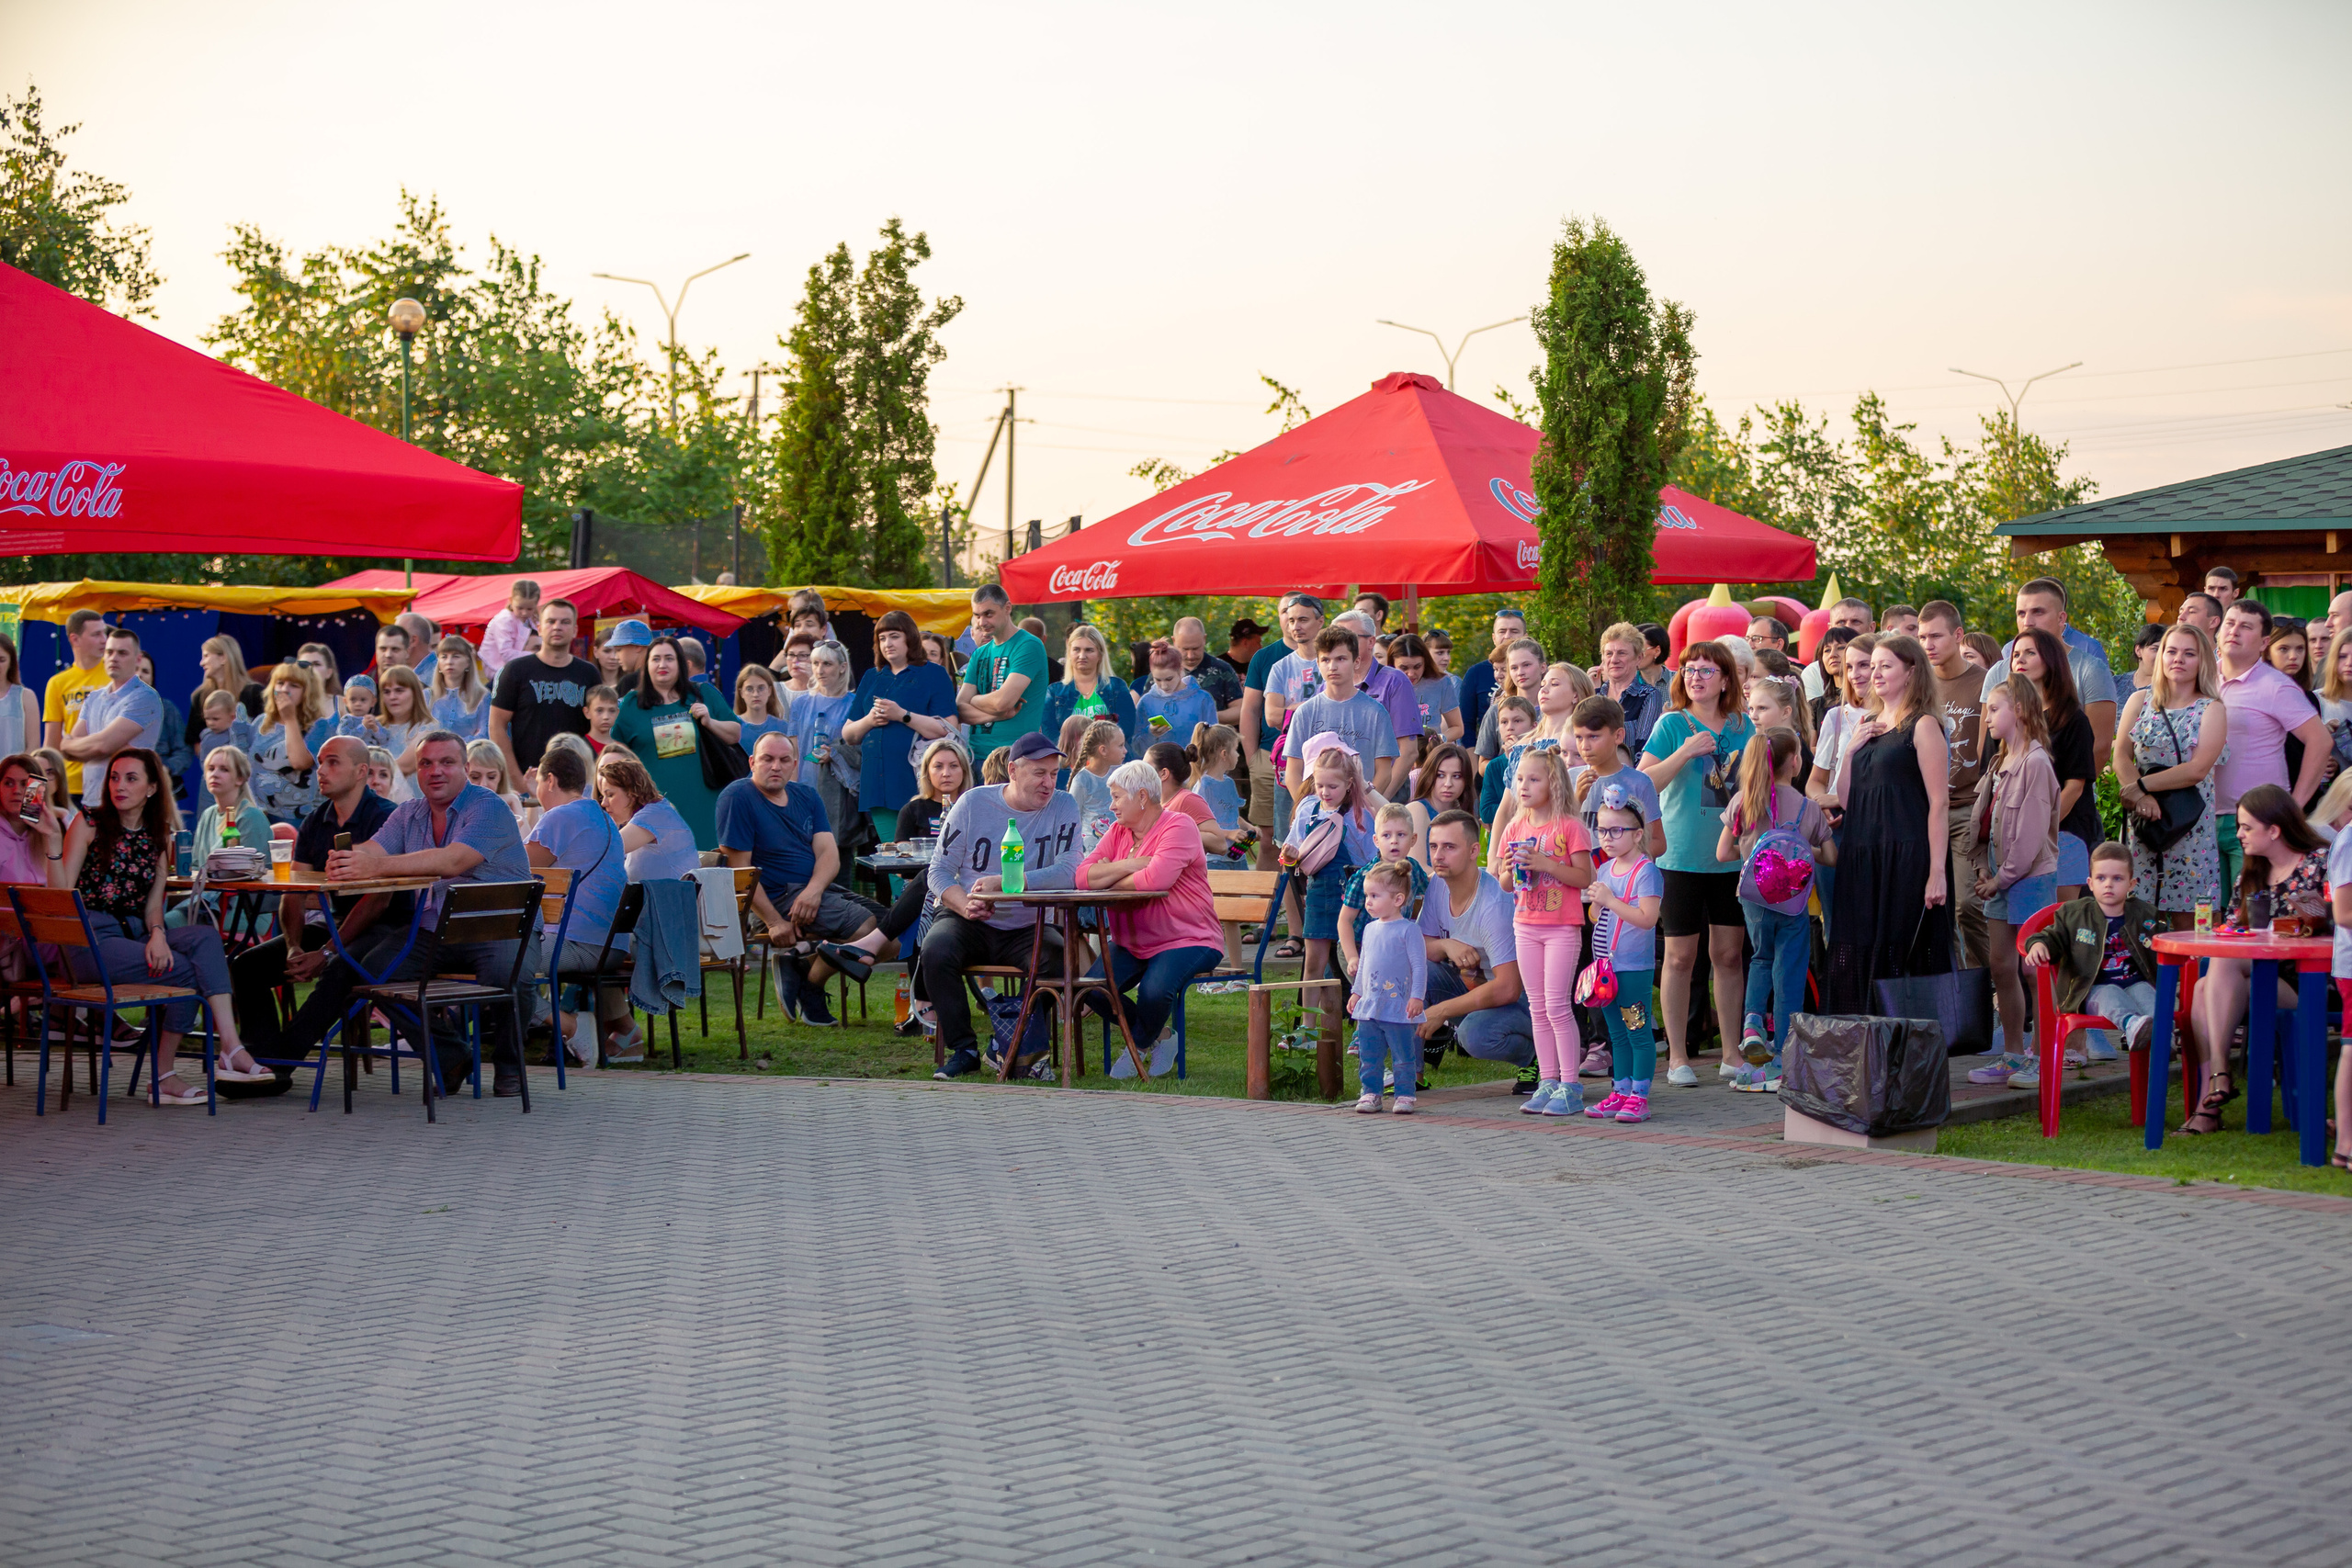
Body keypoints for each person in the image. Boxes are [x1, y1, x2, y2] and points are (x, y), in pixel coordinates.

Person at [276, 731, 537, 1096]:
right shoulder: (409, 812)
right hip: (436, 929)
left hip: (500, 925)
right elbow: (372, 849)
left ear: (464, 767)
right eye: (426, 763)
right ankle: (450, 1054)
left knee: (507, 974)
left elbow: (452, 861)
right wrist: (349, 859)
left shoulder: (488, 806)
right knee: (373, 971)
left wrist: (372, 866)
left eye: (446, 762)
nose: (435, 771)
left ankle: (510, 1067)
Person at [39, 748, 269, 1100]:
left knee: (205, 938)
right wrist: (53, 842)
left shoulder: (159, 835)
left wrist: (158, 933)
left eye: (131, 778)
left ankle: (230, 1047)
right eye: (115, 777)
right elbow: (60, 896)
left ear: (150, 788)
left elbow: (152, 907)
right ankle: (164, 1076)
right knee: (184, 972)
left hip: (133, 934)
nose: (119, 785)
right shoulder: (89, 822)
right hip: (85, 940)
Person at [227, 736, 402, 1069]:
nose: (320, 770)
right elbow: (293, 891)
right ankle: (260, 1057)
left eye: (333, 762)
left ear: (361, 771)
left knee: (338, 969)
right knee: (246, 966)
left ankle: (277, 1063)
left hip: (389, 927)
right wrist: (294, 946)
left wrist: (326, 953)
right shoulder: (314, 821)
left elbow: (379, 901)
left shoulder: (385, 817)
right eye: (320, 761)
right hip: (335, 925)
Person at [922, 731, 1082, 1078]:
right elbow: (938, 871)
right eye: (1039, 773)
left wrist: (1011, 883)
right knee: (935, 951)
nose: (1049, 783)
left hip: (1029, 924)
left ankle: (1012, 1044)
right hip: (969, 918)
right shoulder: (972, 804)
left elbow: (1070, 871)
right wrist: (964, 904)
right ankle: (962, 1049)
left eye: (1054, 774)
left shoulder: (1064, 805)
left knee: (1057, 959)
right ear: (1012, 770)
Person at [2183, 784, 2331, 1134]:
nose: (2239, 835)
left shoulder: (2319, 863)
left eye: (2246, 827)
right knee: (2205, 984)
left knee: (2220, 970)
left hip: (2306, 980)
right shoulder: (2252, 873)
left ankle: (2217, 1079)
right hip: (2253, 978)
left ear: (2274, 830)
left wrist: (2301, 922)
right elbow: (2234, 928)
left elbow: (2333, 920)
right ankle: (2212, 1094)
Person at [1639, 639, 1754, 1087]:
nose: (1696, 677)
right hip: (1680, 858)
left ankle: (1731, 1053)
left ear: (1727, 679)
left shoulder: (1745, 726)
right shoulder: (1671, 724)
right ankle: (1678, 1057)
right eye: (1689, 670)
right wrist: (1685, 752)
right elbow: (1645, 781)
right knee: (1679, 957)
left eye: (1707, 670)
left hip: (1731, 857)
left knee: (1728, 955)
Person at [1072, 756, 1227, 1081]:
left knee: (1154, 993)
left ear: (1142, 796)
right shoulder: (1117, 831)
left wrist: (1109, 877)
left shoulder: (1179, 825)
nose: (1111, 806)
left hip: (1189, 937)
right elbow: (1083, 876)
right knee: (1093, 990)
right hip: (1132, 941)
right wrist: (1130, 865)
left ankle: (1137, 1047)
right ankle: (1161, 1038)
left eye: (1116, 797)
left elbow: (1155, 880)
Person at [1826, 634, 1953, 1013]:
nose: (1873, 673)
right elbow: (1847, 799)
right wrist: (1850, 749)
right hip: (1863, 853)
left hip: (1908, 854)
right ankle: (1866, 1043)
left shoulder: (1924, 724)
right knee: (1859, 947)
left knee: (1904, 952)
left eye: (1885, 665)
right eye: (1871, 665)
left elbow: (1939, 802)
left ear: (1911, 671)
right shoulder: (1868, 723)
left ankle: (1908, 1048)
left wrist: (1936, 872)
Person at [717, 732, 876, 1027]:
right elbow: (740, 872)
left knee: (892, 932)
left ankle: (804, 971)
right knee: (867, 927)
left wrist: (814, 891)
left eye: (783, 760)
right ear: (752, 762)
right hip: (775, 900)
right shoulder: (738, 796)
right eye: (767, 759)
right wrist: (775, 921)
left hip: (816, 892)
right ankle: (809, 983)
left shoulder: (807, 795)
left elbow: (829, 854)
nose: (776, 766)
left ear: (794, 765)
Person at [1714, 726, 1833, 1090]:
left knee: (1761, 959)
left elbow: (1722, 853)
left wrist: (1753, 851)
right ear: (1795, 762)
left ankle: (1751, 1025)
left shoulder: (1743, 802)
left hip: (1753, 900)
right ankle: (1784, 1052)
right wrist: (1801, 848)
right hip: (1793, 904)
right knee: (1790, 972)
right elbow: (1831, 856)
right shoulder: (1808, 808)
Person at [1967, 677, 2060, 1088]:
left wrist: (2000, 878)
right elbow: (1985, 824)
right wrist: (1981, 869)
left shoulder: (2037, 763)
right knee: (2001, 965)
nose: (1987, 716)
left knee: (2033, 969)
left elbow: (2031, 837)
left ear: (2018, 711)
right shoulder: (1998, 762)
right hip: (2000, 881)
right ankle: (2012, 1054)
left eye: (1995, 709)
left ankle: (2042, 1058)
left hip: (2029, 882)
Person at [1498, 745, 1594, 1117]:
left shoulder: (1569, 827)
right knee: (1537, 1008)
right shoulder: (1515, 827)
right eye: (1520, 778)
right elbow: (1507, 884)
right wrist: (1510, 869)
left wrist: (1546, 863)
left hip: (1561, 928)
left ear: (1553, 784)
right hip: (1526, 925)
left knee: (1557, 1006)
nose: (1523, 786)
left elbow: (1585, 876)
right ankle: (1548, 1082)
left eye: (1533, 779)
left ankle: (1570, 1085)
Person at [524, 743, 633, 1065]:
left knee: (497, 960)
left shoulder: (560, 816)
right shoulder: (600, 816)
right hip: (612, 944)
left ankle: (569, 1025)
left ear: (550, 781)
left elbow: (511, 871)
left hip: (579, 944)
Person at [2212, 598, 2330, 889]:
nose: (2234, 631)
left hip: (2259, 823)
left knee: (2250, 915)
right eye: (2230, 623)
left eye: (2246, 627)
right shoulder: (2201, 678)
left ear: (2264, 641)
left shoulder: (2277, 685)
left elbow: (2320, 741)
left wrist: (2293, 806)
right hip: (2199, 819)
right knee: (2208, 918)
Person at [2119, 629, 2231, 930]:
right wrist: (2142, 800)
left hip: (2190, 828)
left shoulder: (2212, 709)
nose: (2178, 659)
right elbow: (2120, 756)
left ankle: (2197, 978)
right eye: (2171, 651)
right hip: (2146, 824)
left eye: (2189, 653)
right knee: (2139, 918)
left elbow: (2197, 769)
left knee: (2194, 925)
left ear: (2202, 661)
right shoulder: (2138, 701)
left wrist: (2142, 787)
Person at [2022, 844, 2165, 1077]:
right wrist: (2038, 944)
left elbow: (2162, 941)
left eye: (2117, 878)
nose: (2108, 884)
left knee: (2150, 996)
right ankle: (2131, 1024)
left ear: (2131, 884)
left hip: (2135, 982)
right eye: (2101, 878)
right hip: (2091, 990)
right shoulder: (2074, 914)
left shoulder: (2143, 914)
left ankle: (2162, 1038)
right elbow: (2050, 936)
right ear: (2090, 883)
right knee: (2111, 994)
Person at [1415, 809, 1534, 1077]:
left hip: (1525, 1003)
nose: (1438, 855)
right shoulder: (1438, 885)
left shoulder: (1493, 903)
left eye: (1449, 847)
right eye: (1433, 846)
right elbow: (1418, 946)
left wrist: (1442, 1011)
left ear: (1473, 851)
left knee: (1474, 1035)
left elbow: (1509, 988)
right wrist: (1448, 945)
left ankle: (1536, 1056)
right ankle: (1410, 1076)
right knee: (1414, 969)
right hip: (1477, 987)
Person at [1284, 739, 1381, 1043]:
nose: (1324, 792)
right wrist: (1290, 852)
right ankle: (1306, 1029)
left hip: (1350, 893)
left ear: (1349, 783)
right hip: (1318, 892)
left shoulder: (1358, 813)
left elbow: (1369, 855)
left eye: (1332, 786)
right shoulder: (1308, 808)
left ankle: (1365, 1027)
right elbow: (1296, 843)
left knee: (1356, 962)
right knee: (1313, 962)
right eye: (1319, 785)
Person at [608, 634, 742, 851]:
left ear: (681, 663)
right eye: (656, 659)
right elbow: (612, 749)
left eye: (669, 658)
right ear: (646, 665)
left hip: (704, 803)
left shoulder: (704, 694)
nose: (663, 664)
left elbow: (735, 734)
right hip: (654, 807)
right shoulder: (632, 704)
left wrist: (709, 722)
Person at [839, 610, 958, 844]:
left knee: (927, 858)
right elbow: (848, 734)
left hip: (920, 782)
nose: (887, 644)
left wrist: (903, 715)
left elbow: (948, 728)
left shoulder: (932, 673)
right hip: (878, 784)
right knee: (895, 860)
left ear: (909, 638)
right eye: (881, 639)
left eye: (894, 636)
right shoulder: (871, 676)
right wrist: (870, 720)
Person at [1914, 603, 1988, 968]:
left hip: (1967, 805)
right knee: (1931, 904)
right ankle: (1956, 989)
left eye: (1936, 635)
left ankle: (1991, 979)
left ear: (1958, 635)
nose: (1928, 644)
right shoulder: (1918, 685)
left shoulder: (1984, 682)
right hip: (1925, 809)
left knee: (1967, 904)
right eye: (1922, 637)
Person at [1581, 798, 1666, 1122]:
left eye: (1616, 830)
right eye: (1602, 830)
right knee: (1616, 1033)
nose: (1607, 837)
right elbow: (1594, 914)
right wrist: (1597, 905)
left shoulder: (1646, 872)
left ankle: (1640, 1096)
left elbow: (1647, 918)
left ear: (1637, 834)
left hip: (1632, 969)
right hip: (1605, 969)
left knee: (1638, 1031)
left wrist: (1610, 900)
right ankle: (1620, 1089)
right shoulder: (1604, 869)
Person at [2007, 627, 2099, 901]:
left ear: (2051, 660)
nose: (2019, 660)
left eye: (2030, 653)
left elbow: (2075, 786)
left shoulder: (2073, 719)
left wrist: (2039, 829)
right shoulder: (2010, 718)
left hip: (2064, 834)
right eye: (2015, 655)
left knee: (2059, 927)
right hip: (2015, 839)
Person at [1242, 593, 1324, 874]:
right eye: (1291, 620)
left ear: (1320, 621)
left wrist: (1291, 708)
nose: (1295, 626)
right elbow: (1270, 715)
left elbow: (1338, 704)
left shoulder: (1332, 660)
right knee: (1281, 842)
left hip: (1328, 763)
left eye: (1302, 619)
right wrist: (1253, 759)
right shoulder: (1277, 665)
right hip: (1283, 761)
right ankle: (1282, 914)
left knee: (1323, 838)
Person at [1346, 859, 1426, 1114]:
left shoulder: (1409, 931)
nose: (1368, 901)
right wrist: (1357, 992)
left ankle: (1404, 1095)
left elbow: (1419, 967)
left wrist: (1416, 997)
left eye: (1374, 895)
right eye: (1367, 895)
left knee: (1403, 1055)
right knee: (1369, 1054)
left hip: (1399, 1006)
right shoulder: (1369, 930)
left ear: (1398, 899)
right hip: (1370, 1006)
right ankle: (1370, 1092)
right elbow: (1364, 964)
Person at [1283, 626, 1400, 801]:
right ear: (1318, 664)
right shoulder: (1304, 713)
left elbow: (1384, 772)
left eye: (1341, 659)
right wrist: (1309, 810)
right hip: (1318, 813)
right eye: (1325, 660)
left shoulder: (1376, 712)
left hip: (1362, 812)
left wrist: (1362, 806)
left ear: (1356, 662)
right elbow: (1293, 772)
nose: (1333, 667)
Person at [490, 598, 594, 792]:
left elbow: (597, 729)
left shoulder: (589, 674)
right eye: (551, 621)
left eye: (565, 622)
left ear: (575, 630)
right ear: (539, 627)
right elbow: (496, 726)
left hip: (575, 786)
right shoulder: (515, 671)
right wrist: (518, 781)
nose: (557, 627)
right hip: (528, 782)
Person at [61, 626, 163, 810]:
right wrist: (75, 745)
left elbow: (102, 745)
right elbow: (68, 750)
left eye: (122, 653)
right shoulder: (94, 698)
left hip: (128, 807)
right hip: (91, 801)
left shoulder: (145, 697)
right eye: (109, 652)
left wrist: (86, 745)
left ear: (137, 659)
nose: (114, 658)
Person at [1336, 801, 1427, 985]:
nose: (1394, 841)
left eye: (1401, 835)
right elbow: (1345, 920)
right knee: (1371, 996)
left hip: (1394, 946)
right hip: (1360, 947)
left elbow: (1430, 893)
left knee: (1394, 996)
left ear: (1413, 839)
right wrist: (1353, 957)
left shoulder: (1414, 870)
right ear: (1376, 840)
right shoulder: (1365, 877)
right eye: (1387, 835)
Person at [956, 585, 1048, 761]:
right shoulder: (979, 654)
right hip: (977, 757)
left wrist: (975, 700)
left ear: (1007, 608)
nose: (982, 622)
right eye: (977, 615)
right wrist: (995, 715)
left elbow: (1003, 703)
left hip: (1015, 757)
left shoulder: (1028, 645)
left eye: (988, 614)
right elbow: (960, 709)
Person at [594, 748, 700, 886]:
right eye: (603, 796)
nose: (604, 803)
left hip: (674, 903)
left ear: (632, 793)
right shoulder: (653, 811)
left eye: (610, 795)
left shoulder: (655, 814)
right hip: (661, 901)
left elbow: (604, 850)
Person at [251, 660, 335, 822]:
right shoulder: (260, 723)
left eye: (294, 686)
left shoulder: (320, 727)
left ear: (307, 692)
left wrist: (290, 718)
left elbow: (299, 762)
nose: (284, 690)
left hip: (300, 818)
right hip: (262, 816)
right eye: (280, 683)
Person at [40, 609, 111, 797]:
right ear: (75, 639)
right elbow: (51, 743)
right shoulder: (58, 683)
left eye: (104, 633)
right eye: (96, 634)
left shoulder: (114, 675)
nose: (104, 639)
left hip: (108, 782)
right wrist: (44, 788)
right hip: (71, 785)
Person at [2265, 621, 2327, 803]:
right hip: (2269, 794)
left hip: (2304, 796)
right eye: (2284, 649)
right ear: (2268, 651)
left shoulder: (2309, 698)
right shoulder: (2260, 693)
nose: (2293, 656)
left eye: (2300, 649)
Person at [1132, 638, 1218, 753]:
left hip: (1195, 768)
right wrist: (1150, 734)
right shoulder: (1146, 702)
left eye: (1169, 679)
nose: (1164, 685)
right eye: (1157, 679)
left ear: (1180, 670)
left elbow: (1214, 742)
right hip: (1159, 768)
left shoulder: (1202, 699)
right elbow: (1136, 748)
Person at [182, 635, 262, 754]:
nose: (201, 663)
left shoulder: (255, 693)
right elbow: (197, 742)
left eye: (206, 656)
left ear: (223, 658)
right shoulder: (200, 696)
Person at [1157, 616, 1242, 727]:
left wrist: (1207, 716)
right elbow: (1145, 711)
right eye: (1185, 649)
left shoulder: (1222, 669)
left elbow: (1240, 710)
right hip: (1171, 741)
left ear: (1204, 639)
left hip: (1212, 741)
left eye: (1196, 648)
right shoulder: (1160, 670)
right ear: (1174, 641)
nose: (1190, 656)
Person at [1186, 723, 1252, 864]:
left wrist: (1248, 827)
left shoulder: (1229, 783)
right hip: (1214, 859)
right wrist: (1229, 834)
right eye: (1235, 750)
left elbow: (1230, 814)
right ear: (1224, 754)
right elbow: (1196, 827)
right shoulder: (1203, 786)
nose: (1238, 755)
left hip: (1237, 857)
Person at [1456, 606, 1524, 741]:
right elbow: (1466, 725)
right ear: (1494, 638)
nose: (1507, 636)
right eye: (1502, 631)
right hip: (1488, 753)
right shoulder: (1476, 673)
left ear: (1525, 636)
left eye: (1514, 631)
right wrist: (1476, 762)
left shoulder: (1535, 672)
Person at [1386, 634, 1461, 755]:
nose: (1411, 673)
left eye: (1417, 666)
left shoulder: (1441, 682)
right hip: (1396, 757)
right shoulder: (1384, 685)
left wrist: (1438, 740)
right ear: (1392, 665)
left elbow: (1457, 727)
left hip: (1430, 757)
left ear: (1425, 662)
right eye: (1403, 667)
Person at [1591, 622, 1657, 759]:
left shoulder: (1649, 696)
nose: (1614, 660)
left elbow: (1643, 751)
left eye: (1621, 653)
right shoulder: (1593, 697)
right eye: (1609, 653)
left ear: (1638, 658)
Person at [1408, 740, 1475, 867]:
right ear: (1429, 776)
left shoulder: (1463, 813)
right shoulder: (1417, 810)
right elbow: (1418, 869)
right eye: (1440, 775)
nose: (1448, 784)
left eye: (1456, 776)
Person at [373, 664, 432, 801]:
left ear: (415, 693)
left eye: (399, 690)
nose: (392, 697)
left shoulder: (428, 728)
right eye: (387, 692)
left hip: (411, 807)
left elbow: (404, 766)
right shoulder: (374, 725)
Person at [138, 652, 195, 793]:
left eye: (145, 671)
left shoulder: (167, 709)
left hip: (163, 790)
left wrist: (166, 768)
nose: (139, 675)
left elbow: (184, 751)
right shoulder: (112, 708)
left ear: (152, 679)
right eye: (134, 669)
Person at [1801, 599, 1877, 701]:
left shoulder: (1883, 664)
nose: (1848, 627)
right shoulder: (1814, 672)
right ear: (1830, 628)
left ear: (1871, 628)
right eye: (1841, 622)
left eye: (1856, 622)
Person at [1068, 719, 1126, 850]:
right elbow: (1071, 817)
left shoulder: (1121, 774)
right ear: (1103, 750)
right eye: (1121, 746)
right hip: (1090, 849)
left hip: (1119, 843)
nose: (1125, 751)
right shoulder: (1082, 780)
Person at [1478, 697, 1535, 826]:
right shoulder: (1493, 766)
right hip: (1502, 834)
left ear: (1533, 726)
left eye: (1517, 721)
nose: (1510, 727)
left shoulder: (1540, 761)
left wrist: (1517, 757)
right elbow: (1486, 813)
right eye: (1504, 722)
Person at [428, 636, 492, 741]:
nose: (449, 662)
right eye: (444, 657)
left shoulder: (483, 696)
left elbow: (484, 736)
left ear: (468, 662)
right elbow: (418, 735)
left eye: (456, 656)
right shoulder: (427, 696)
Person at [479, 580, 540, 677]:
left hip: (516, 668)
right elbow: (506, 654)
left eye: (529, 609)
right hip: (496, 670)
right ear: (511, 600)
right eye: (520, 608)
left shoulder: (532, 619)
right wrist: (536, 655)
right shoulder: (504, 620)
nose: (524, 613)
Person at [734, 661, 792, 758]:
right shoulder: (732, 728)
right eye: (749, 689)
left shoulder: (783, 728)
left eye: (761, 688)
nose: (756, 694)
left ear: (769, 691)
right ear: (741, 693)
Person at [465, 739, 526, 818]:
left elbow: (527, 829)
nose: (483, 784)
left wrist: (514, 801)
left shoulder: (508, 801)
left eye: (491, 777)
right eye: (475, 777)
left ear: (501, 777)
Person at [2126, 622, 2167, 700]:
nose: (2161, 656)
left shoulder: (2170, 690)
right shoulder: (2114, 684)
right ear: (2138, 650)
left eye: (2167, 651)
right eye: (2155, 649)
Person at [583, 684, 620, 755]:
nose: (606, 717)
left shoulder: (621, 750)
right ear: (587, 712)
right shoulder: (580, 747)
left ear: (617, 713)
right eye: (599, 710)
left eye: (612, 711)